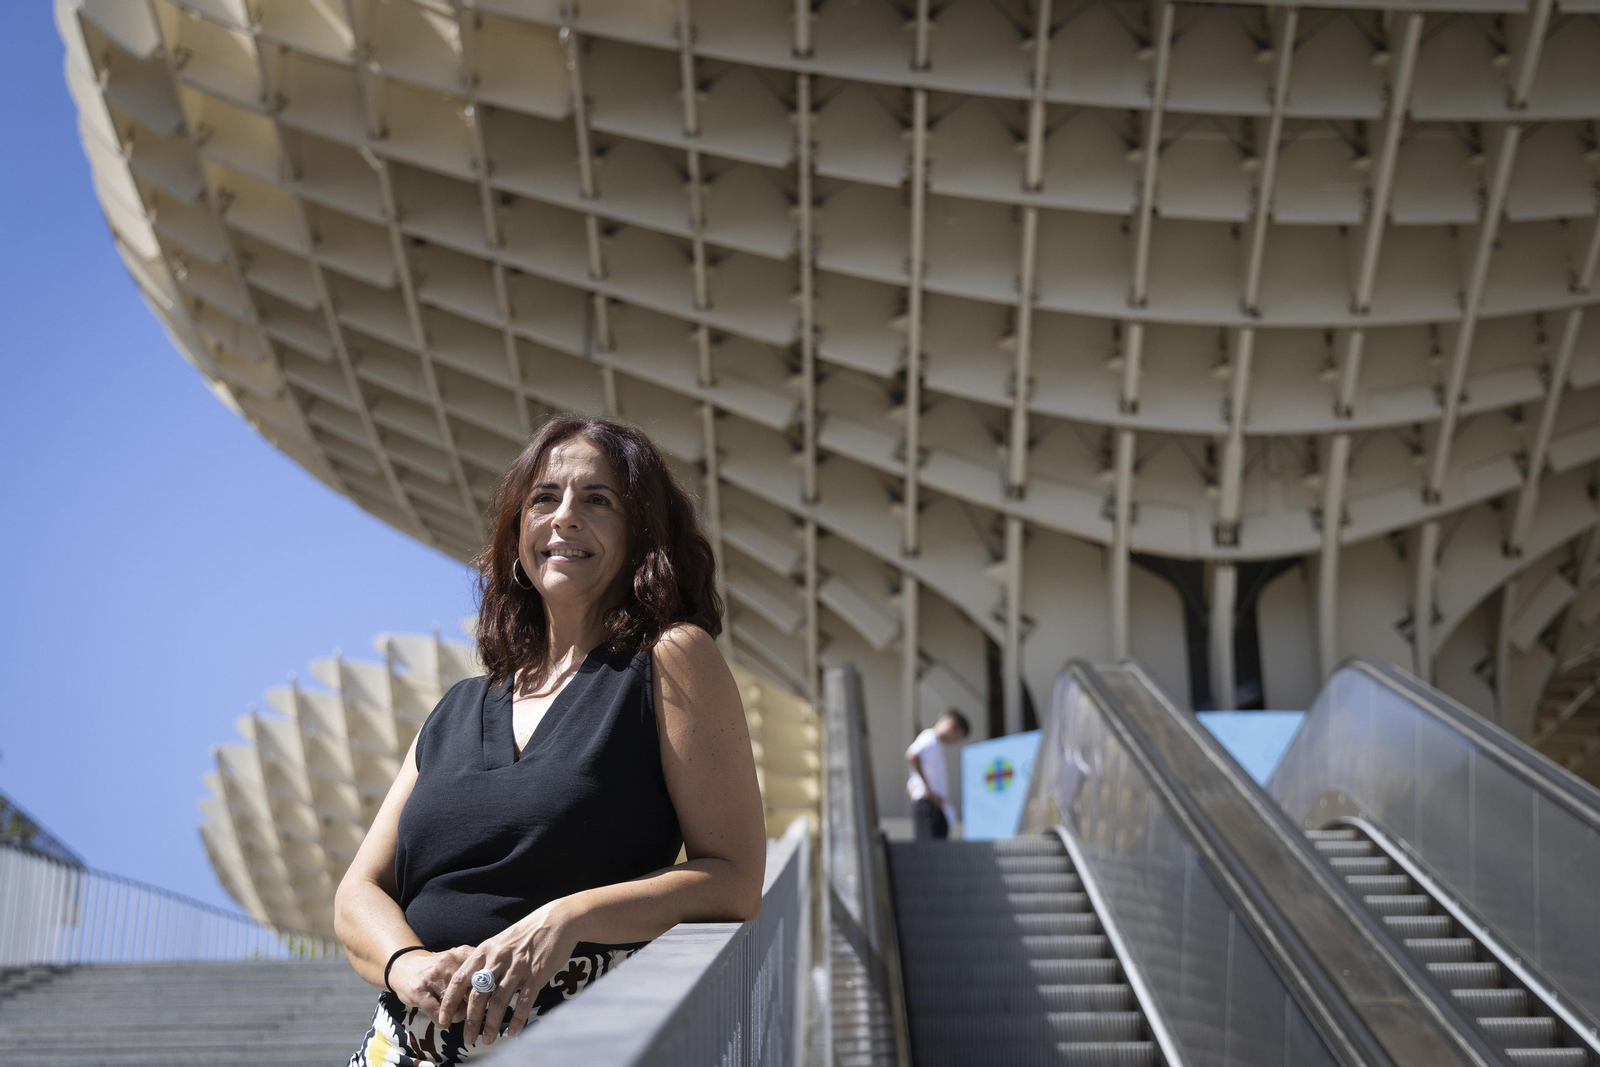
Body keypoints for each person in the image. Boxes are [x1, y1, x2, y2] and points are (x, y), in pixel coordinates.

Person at [334, 415, 768, 1065]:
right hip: (400, 1049)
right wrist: (407, 965)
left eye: (598, 499)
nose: (565, 516)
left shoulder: (672, 660)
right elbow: (358, 891)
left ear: (641, 533)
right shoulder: (457, 708)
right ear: (517, 532)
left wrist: (566, 918)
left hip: (577, 1043)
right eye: (545, 497)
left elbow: (734, 878)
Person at [905, 710, 970, 840]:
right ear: (952, 726)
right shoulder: (930, 737)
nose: (954, 741)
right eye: (957, 737)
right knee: (930, 853)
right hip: (929, 806)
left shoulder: (934, 742)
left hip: (933, 805)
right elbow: (912, 755)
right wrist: (929, 792)